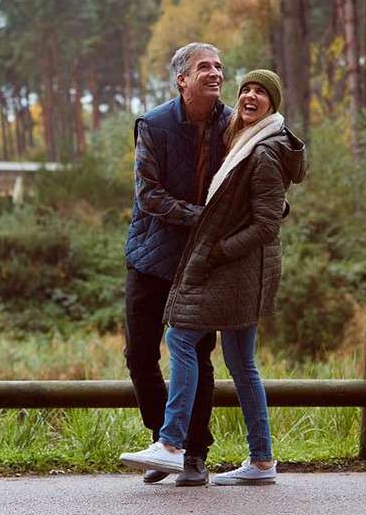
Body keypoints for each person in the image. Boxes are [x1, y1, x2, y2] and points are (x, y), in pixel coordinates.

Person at [120, 69, 307, 486]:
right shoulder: (242, 137)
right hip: (229, 264)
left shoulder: (261, 149)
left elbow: (266, 218)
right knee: (241, 362)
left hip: (234, 266)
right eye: (247, 89)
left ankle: (173, 445)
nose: (249, 95)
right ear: (181, 79)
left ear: (273, 105)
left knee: (183, 339)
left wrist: (217, 246)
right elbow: (262, 207)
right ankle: (261, 460)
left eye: (261, 92)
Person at [120, 42, 233, 486]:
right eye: (204, 66)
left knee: (200, 356)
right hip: (151, 255)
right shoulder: (154, 124)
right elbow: (147, 194)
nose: (215, 72)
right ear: (182, 79)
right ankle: (162, 442)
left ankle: (195, 453)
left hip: (202, 262)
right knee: (140, 355)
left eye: (219, 66)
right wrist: (200, 218)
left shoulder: (233, 125)